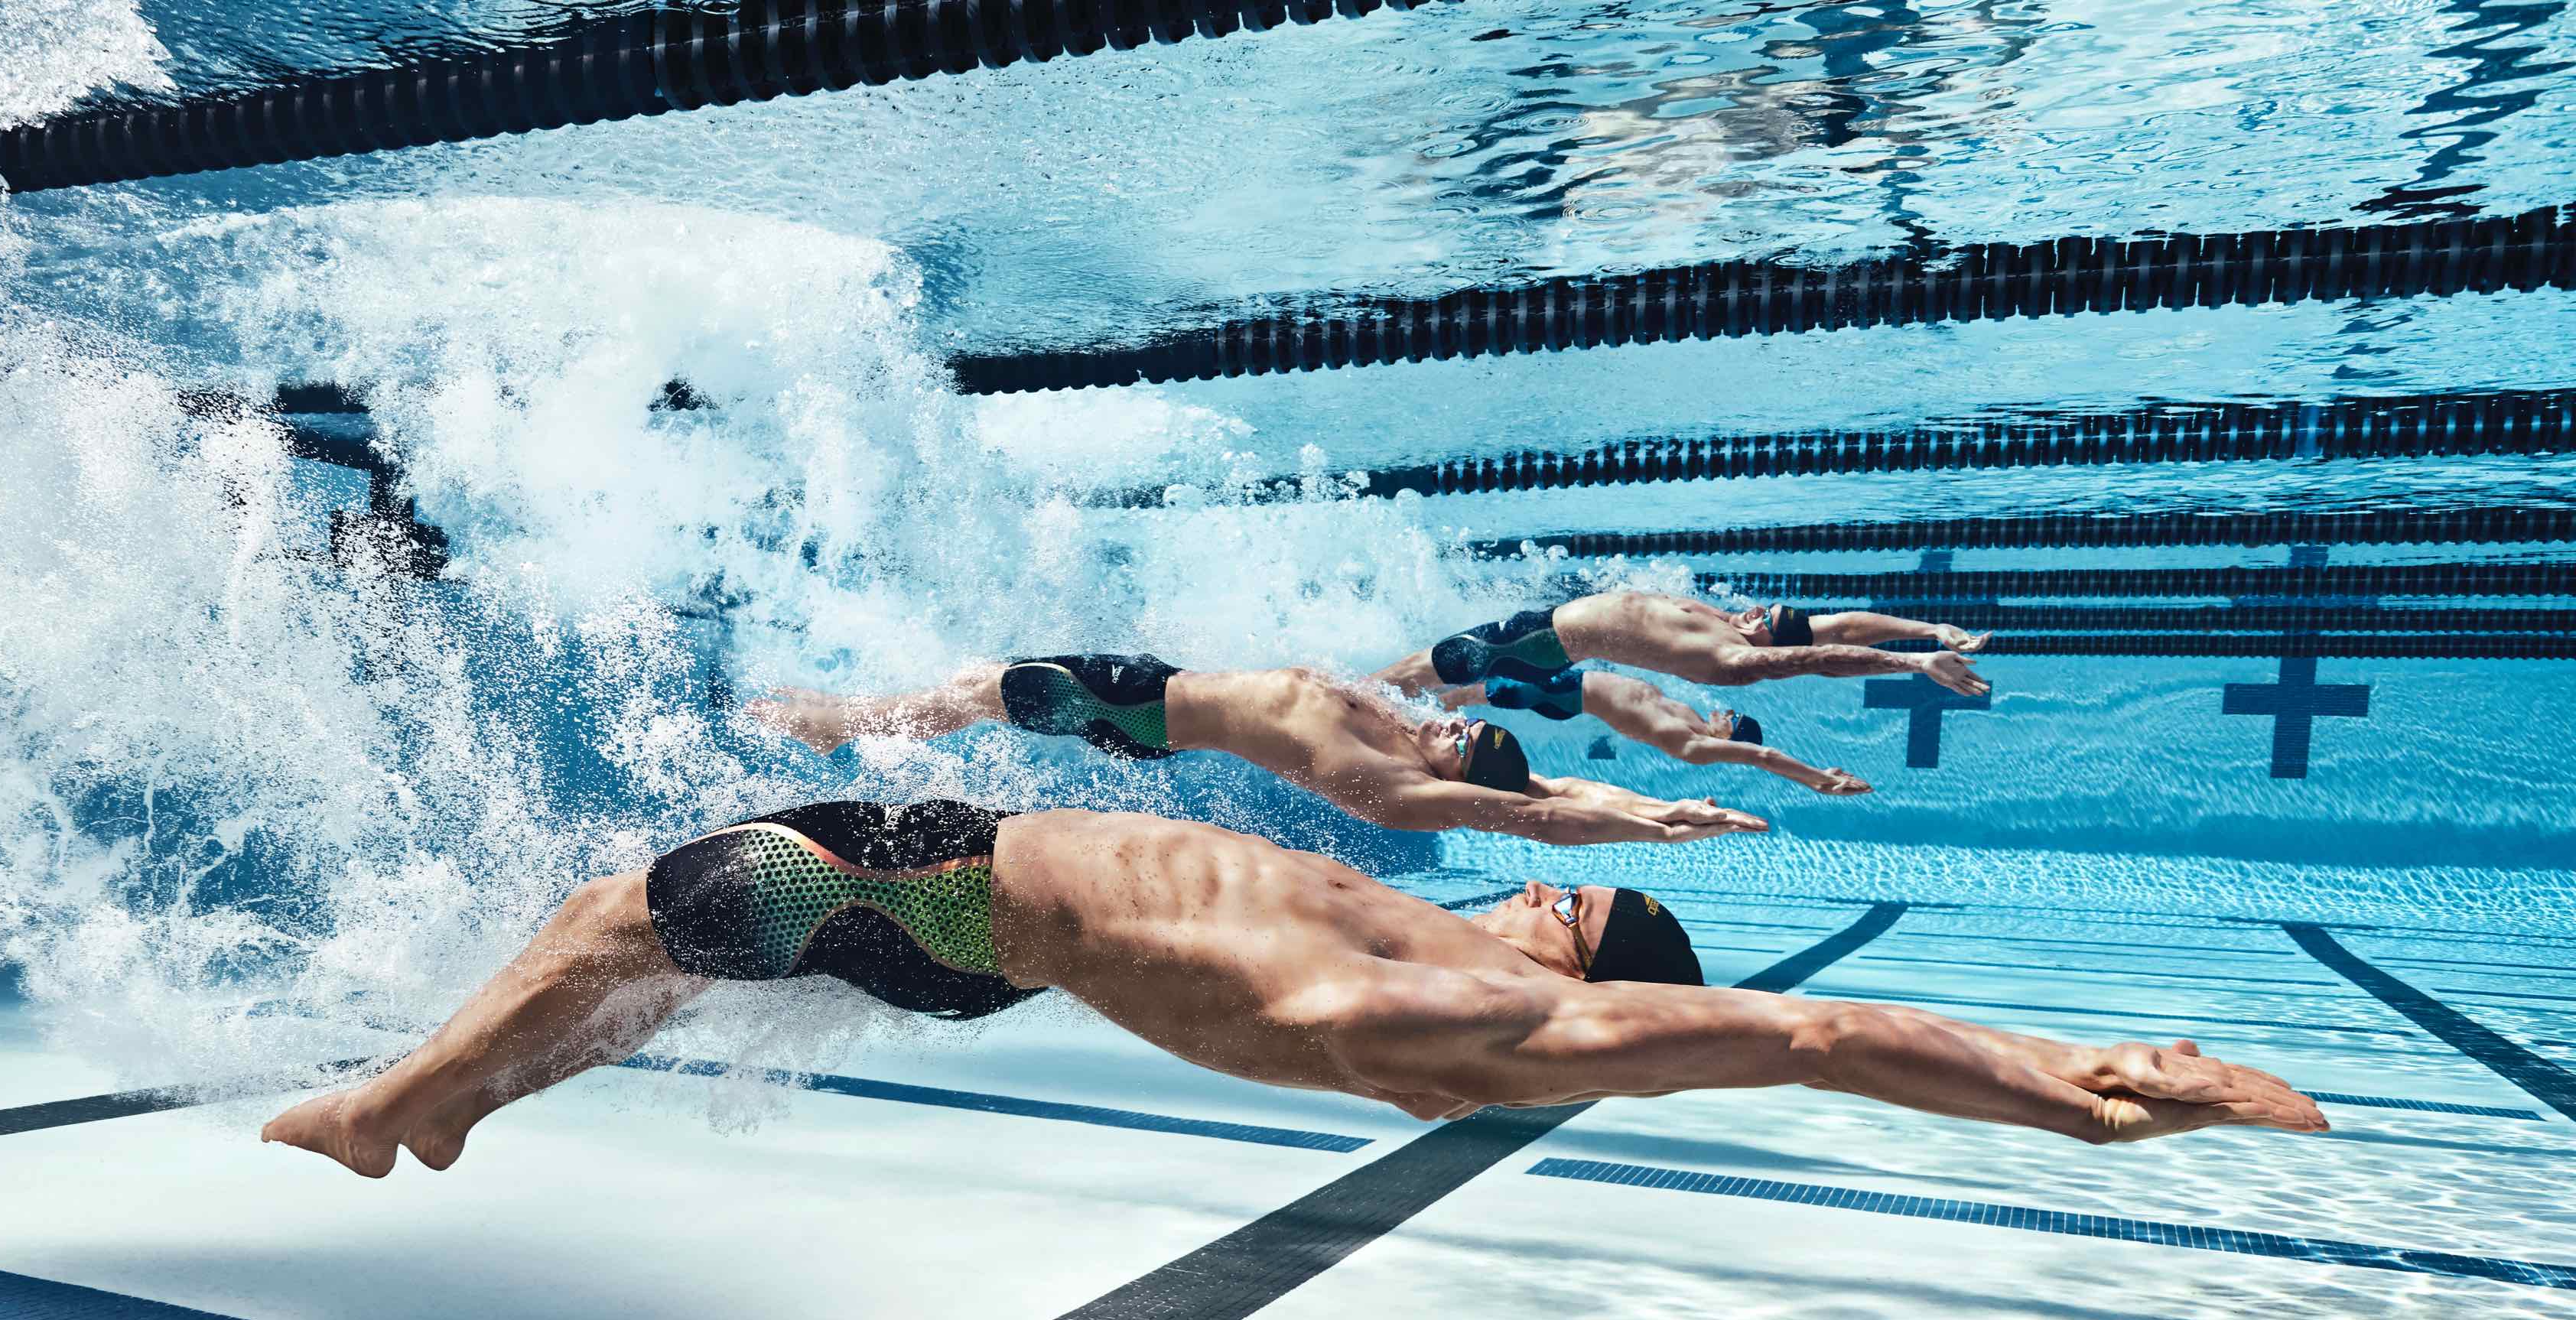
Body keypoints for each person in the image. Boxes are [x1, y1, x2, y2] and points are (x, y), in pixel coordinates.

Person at [262, 801, 2326, 1178]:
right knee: (621, 922)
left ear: (1584, 958)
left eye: (1561, 902)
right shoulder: (1452, 968)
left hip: (982, 909)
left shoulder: (1519, 1023)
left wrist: (2066, 1080)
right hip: (982, 909)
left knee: (634, 913)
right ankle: (443, 1093)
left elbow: (1807, 1037)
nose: (1532, 892)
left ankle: (405, 1106)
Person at [746, 655, 1767, 847]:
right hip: (1153, 682)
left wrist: (1654, 829)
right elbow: (1548, 780)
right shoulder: (1414, 734)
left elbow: (1533, 811)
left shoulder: (1400, 788)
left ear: (1450, 778)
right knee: (975, 690)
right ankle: (861, 726)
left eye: (1465, 742)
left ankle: (848, 728)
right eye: (1473, 723)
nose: (1456, 723)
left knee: (977, 689)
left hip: (1144, 713)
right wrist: (1649, 801)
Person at [1376, 593, 1994, 697]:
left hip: (1536, 645)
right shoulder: (1732, 624)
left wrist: (1914, 664)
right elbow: (1845, 627)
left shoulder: (1731, 660)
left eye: (1766, 617)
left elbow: (1823, 655)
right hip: (1543, 620)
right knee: (1420, 676)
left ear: (1766, 641)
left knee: (1411, 675)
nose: (1754, 609)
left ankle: (1343, 699)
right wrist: (1930, 629)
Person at [1445, 668, 1872, 796]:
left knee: (1477, 690)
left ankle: (1422, 702)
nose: (1726, 710)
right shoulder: (1691, 717)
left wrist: (1817, 777)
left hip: (1564, 695)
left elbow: (1763, 757)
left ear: (1732, 737)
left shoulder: (1694, 744)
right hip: (1568, 687)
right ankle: (1433, 698)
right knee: (1481, 678)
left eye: (1733, 717)